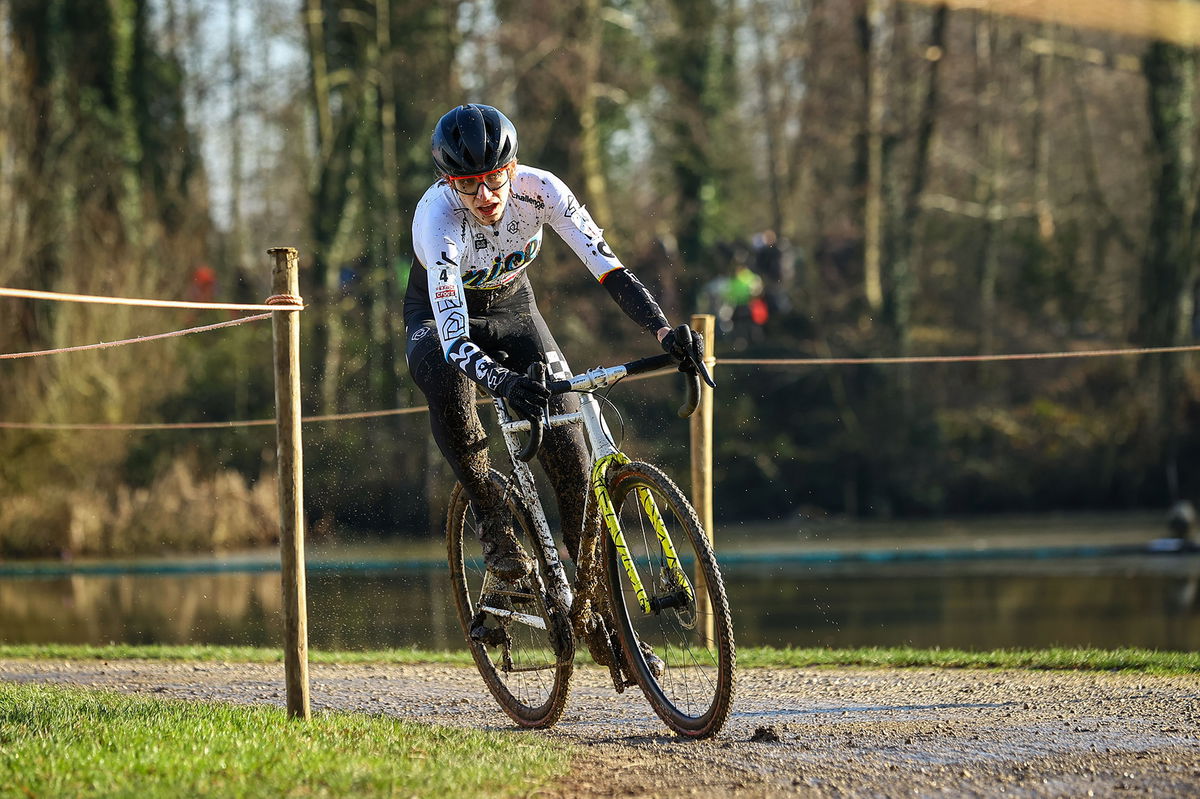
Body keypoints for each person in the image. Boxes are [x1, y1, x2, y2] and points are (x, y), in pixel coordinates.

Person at [404, 104, 707, 583]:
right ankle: (493, 522)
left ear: (513, 168)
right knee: (449, 387)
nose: (485, 195)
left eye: (495, 177)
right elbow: (456, 340)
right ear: (447, 182)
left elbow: (609, 269)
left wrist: (664, 331)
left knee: (572, 455)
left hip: (514, 309)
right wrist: (502, 381)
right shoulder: (436, 221)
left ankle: (600, 613)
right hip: (440, 321)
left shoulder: (542, 191)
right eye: (468, 184)